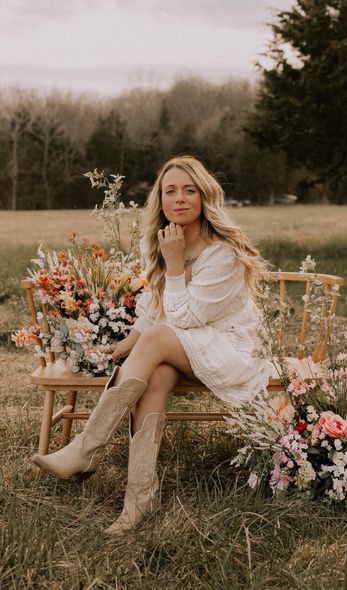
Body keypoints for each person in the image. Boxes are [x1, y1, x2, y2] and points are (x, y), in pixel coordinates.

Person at [32, 155, 273, 536]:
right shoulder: (161, 240)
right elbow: (153, 303)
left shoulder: (222, 252)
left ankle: (87, 448)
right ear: (159, 200)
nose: (179, 199)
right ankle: (140, 498)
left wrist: (176, 264)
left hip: (232, 349)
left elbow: (182, 319)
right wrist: (129, 341)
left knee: (161, 338)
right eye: (170, 191)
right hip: (185, 344)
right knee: (157, 374)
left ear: (204, 197)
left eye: (189, 190)